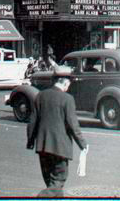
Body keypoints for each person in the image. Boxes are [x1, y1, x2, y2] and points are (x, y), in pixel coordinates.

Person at [26, 65, 88, 196]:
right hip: (60, 149)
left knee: (51, 183)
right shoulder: (67, 99)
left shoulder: (40, 96)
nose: (68, 86)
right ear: (65, 82)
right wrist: (83, 144)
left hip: (43, 148)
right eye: (69, 83)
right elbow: (73, 125)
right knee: (58, 181)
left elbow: (32, 122)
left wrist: (30, 142)